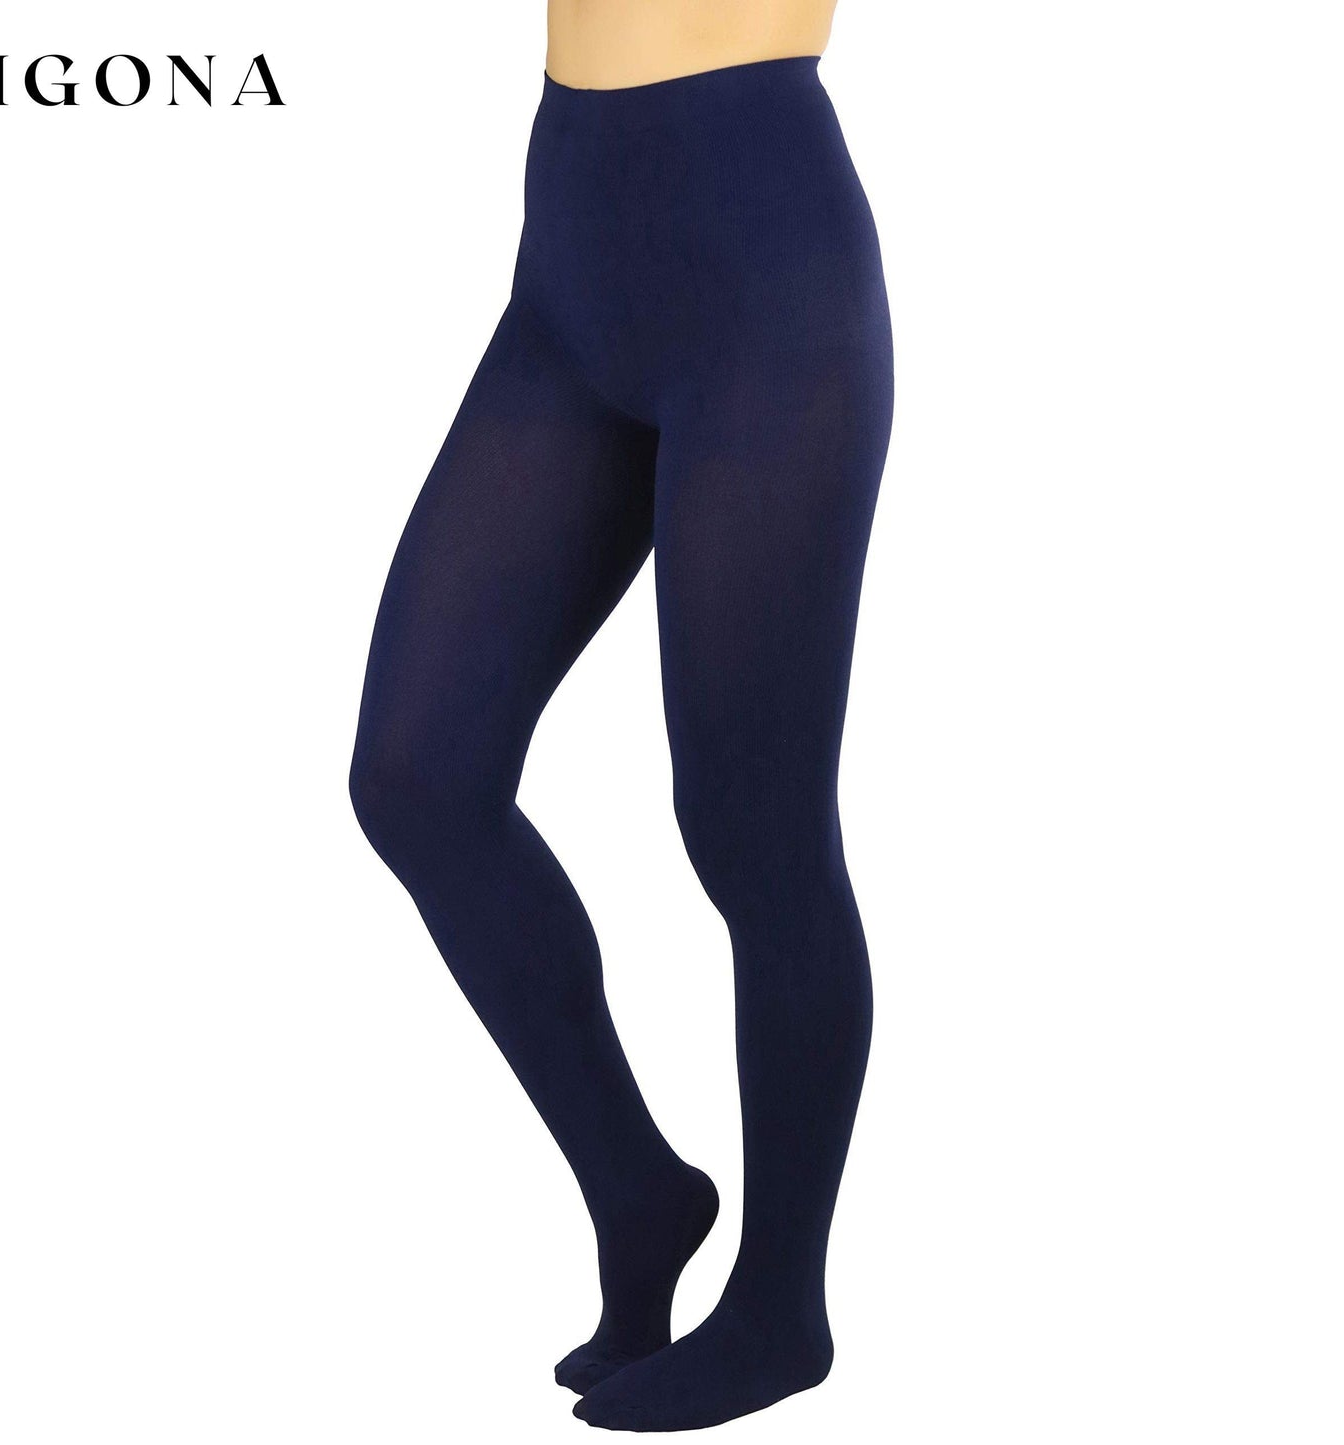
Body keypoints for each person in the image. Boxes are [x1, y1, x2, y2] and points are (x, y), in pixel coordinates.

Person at [349, 2, 893, 1429]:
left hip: (763, 268)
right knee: (417, 777)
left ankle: (779, 1307)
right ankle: (639, 1190)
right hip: (568, 262)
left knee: (754, 833)